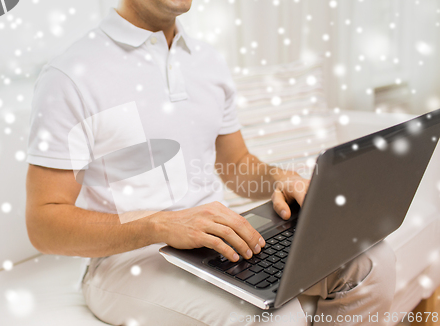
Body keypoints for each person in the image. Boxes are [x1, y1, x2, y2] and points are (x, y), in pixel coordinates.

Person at [25, 0, 396, 325]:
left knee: (372, 261)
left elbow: (236, 164)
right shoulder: (71, 74)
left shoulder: (207, 61)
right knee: (274, 316)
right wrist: (159, 224)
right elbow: (44, 225)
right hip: (124, 261)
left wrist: (277, 179)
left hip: (216, 242)